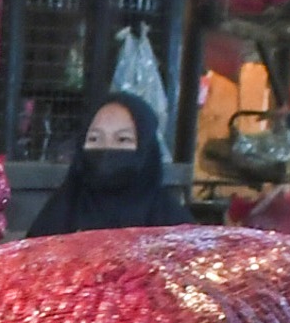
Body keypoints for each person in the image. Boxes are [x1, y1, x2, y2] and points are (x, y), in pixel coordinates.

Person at [27, 92, 182, 234]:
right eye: (94, 139)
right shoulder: (59, 215)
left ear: (146, 149)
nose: (107, 148)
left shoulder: (172, 224)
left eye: (122, 139)